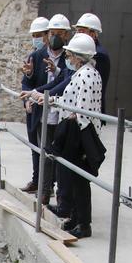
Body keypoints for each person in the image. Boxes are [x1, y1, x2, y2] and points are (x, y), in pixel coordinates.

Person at [49, 33, 105, 239]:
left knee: (80, 180)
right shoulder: (85, 72)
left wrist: (66, 115)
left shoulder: (86, 75)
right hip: (78, 130)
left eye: (70, 55)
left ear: (79, 56)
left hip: (81, 132)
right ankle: (74, 216)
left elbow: (81, 109)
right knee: (72, 177)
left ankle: (84, 224)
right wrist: (51, 99)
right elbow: (69, 99)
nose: (68, 59)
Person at [27, 13, 75, 211]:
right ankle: (45, 191)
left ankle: (60, 196)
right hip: (44, 112)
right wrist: (34, 92)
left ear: (66, 35)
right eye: (51, 33)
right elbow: (55, 81)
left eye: (59, 33)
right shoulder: (37, 56)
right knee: (44, 152)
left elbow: (63, 81)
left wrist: (41, 94)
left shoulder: (70, 57)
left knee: (59, 155)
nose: (54, 36)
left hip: (63, 114)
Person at [20, 17, 49, 194]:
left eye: (39, 35)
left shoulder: (58, 58)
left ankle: (46, 185)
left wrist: (34, 94)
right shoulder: (34, 56)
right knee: (34, 147)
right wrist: (27, 99)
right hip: (34, 109)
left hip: (48, 107)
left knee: (48, 149)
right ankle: (36, 180)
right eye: (34, 35)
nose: (36, 39)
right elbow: (25, 82)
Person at [75, 13, 110, 105]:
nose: (78, 34)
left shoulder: (98, 55)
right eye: (77, 31)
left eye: (81, 31)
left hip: (90, 109)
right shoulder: (82, 51)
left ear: (93, 34)